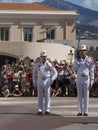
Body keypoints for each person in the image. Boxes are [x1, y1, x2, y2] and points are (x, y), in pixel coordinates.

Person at [72, 44, 95, 116]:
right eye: (81, 51)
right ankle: (79, 111)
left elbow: (91, 70)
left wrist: (92, 79)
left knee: (86, 95)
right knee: (79, 95)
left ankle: (86, 111)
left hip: (86, 78)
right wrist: (76, 63)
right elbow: (73, 69)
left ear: (86, 51)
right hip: (79, 78)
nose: (82, 52)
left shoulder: (89, 59)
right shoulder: (77, 60)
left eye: (84, 51)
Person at [33, 50, 57, 115]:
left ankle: (47, 109)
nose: (44, 58)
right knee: (40, 95)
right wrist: (34, 81)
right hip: (40, 80)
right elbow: (34, 73)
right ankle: (40, 109)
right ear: (40, 57)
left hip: (47, 80)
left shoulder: (49, 64)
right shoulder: (37, 64)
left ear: (47, 56)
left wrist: (52, 78)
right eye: (42, 56)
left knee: (47, 95)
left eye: (45, 56)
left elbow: (55, 72)